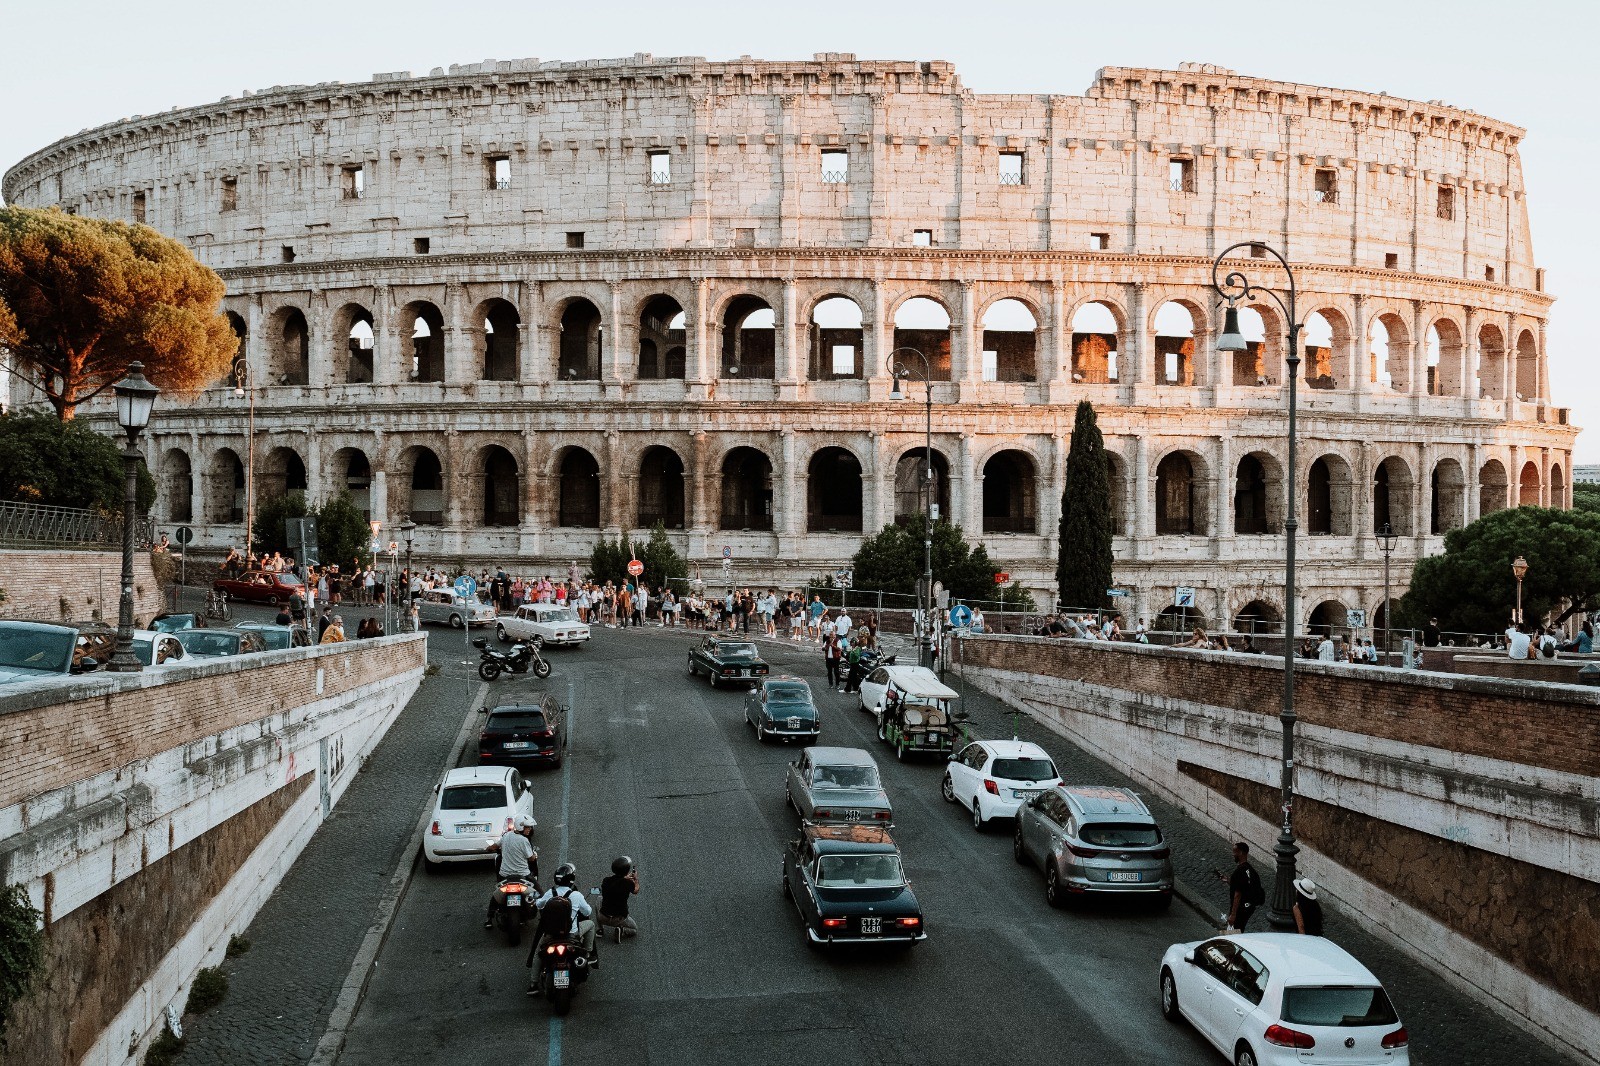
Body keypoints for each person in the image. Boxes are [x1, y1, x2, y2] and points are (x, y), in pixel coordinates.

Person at [527, 863, 597, 985]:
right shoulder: (576, 895)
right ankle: (588, 952)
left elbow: (539, 905)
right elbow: (588, 911)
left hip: (551, 935)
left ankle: (533, 984)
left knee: (539, 954)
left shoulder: (550, 893)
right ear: (572, 880)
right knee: (590, 924)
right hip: (572, 934)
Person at [486, 816, 539, 928]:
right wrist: (534, 855)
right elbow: (530, 858)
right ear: (520, 827)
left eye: (529, 827)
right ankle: (545, 916)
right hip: (523, 875)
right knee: (539, 893)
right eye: (527, 827)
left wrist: (489, 848)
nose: (529, 829)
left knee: (496, 896)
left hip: (505, 875)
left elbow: (495, 846)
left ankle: (489, 918)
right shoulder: (524, 840)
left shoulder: (506, 836)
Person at [1216, 841, 1264, 932]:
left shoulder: (1239, 872)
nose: (1233, 854)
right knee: (1240, 929)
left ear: (1241, 852)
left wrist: (1233, 915)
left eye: (1235, 851)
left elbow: (1238, 894)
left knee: (1234, 933)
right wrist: (1229, 881)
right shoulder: (1251, 870)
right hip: (1249, 908)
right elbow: (1245, 886)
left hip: (1240, 909)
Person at [597, 856, 640, 941]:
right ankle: (622, 930)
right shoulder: (628, 883)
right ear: (626, 871)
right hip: (619, 919)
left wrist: (623, 878)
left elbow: (616, 883)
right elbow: (636, 890)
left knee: (599, 899)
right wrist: (635, 879)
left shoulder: (606, 880)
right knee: (634, 930)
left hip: (603, 916)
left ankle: (600, 929)